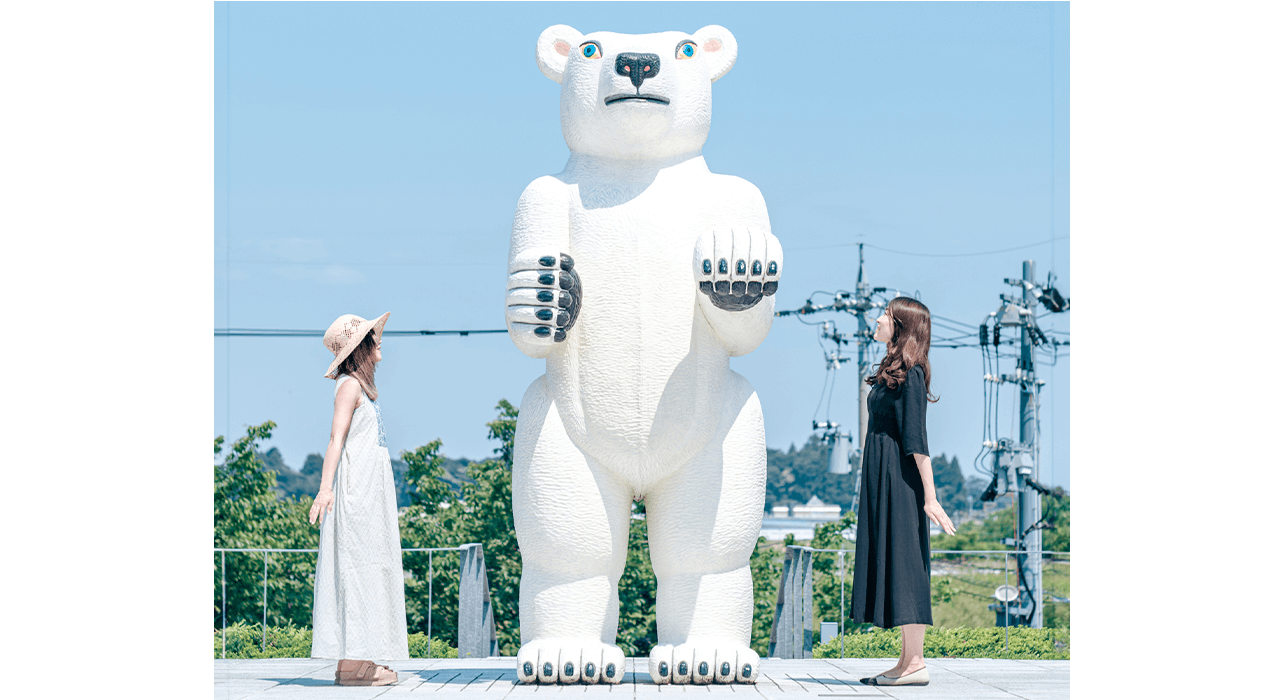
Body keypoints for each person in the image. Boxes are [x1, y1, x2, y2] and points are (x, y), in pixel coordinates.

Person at [850, 297, 956, 687]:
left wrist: (930, 497)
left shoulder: (911, 375)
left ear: (901, 327)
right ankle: (906, 661)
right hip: (884, 477)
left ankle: (915, 663)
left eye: (886, 315)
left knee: (907, 566)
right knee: (896, 563)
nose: (877, 319)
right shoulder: (893, 371)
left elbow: (917, 440)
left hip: (900, 480)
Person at [309, 312, 408, 686]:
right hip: (356, 494)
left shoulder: (361, 388)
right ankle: (353, 666)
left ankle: (354, 661)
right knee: (357, 569)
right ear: (359, 349)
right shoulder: (349, 386)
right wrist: (325, 487)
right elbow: (335, 440)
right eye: (371, 337)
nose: (378, 341)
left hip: (370, 491)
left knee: (367, 568)